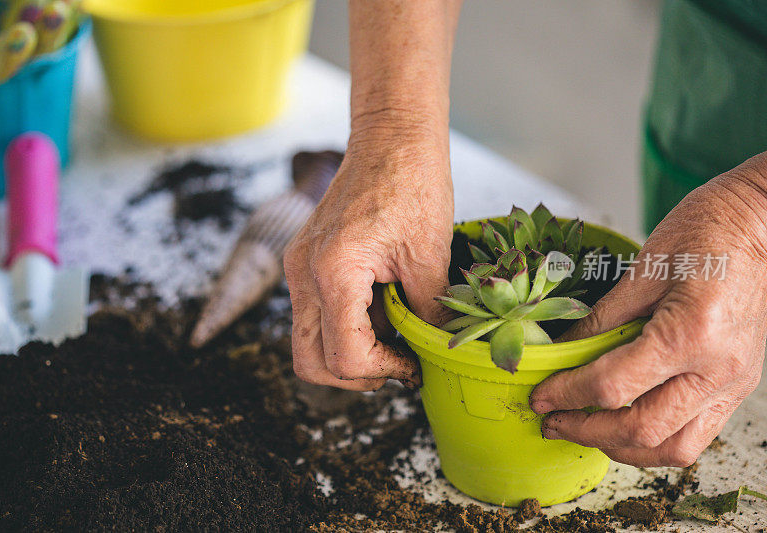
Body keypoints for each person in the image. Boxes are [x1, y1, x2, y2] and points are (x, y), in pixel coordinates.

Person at [283, 0, 767, 468]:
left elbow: (743, 231)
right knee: (681, 291)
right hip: (723, 58)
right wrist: (392, 129)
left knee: (716, 307)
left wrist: (753, 214)